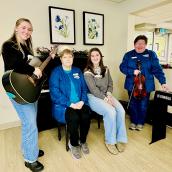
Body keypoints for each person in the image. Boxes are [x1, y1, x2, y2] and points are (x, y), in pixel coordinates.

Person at [1, 18, 44, 172]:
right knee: (30, 123)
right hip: (16, 90)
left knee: (29, 122)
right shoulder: (8, 45)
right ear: (16, 28)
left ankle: (29, 148)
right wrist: (34, 70)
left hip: (27, 89)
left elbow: (29, 66)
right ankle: (30, 159)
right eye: (24, 28)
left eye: (30, 29)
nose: (27, 31)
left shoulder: (26, 47)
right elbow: (16, 65)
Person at [120, 35, 169, 131]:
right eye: (138, 43)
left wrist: (163, 82)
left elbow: (157, 69)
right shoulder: (128, 55)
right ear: (134, 44)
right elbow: (122, 67)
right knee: (133, 104)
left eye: (142, 43)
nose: (140, 45)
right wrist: (132, 71)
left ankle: (140, 122)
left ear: (146, 45)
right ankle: (133, 121)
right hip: (132, 85)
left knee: (143, 105)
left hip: (146, 85)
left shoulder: (151, 54)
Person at [49, 46, 90, 159]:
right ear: (61, 59)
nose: (68, 59)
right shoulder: (56, 72)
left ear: (73, 58)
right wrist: (70, 104)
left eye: (70, 57)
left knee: (86, 115)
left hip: (80, 103)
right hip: (65, 105)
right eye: (65, 57)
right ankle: (73, 144)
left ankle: (82, 141)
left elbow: (84, 88)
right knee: (74, 117)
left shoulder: (77, 70)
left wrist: (82, 101)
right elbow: (54, 92)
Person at [84, 47, 127, 155]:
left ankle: (120, 138)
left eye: (97, 55)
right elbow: (93, 90)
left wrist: (108, 94)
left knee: (121, 110)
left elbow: (110, 83)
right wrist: (106, 99)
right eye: (92, 55)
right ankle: (110, 141)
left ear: (100, 56)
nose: (95, 57)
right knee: (111, 111)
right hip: (93, 97)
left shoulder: (106, 69)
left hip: (106, 95)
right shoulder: (87, 71)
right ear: (90, 58)